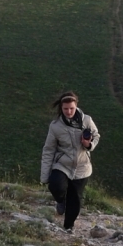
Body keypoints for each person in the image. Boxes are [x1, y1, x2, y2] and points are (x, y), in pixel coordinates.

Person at [40, 91, 100, 232]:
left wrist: (89, 145)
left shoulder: (87, 121)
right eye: (65, 108)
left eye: (71, 108)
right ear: (61, 108)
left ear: (76, 106)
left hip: (82, 167)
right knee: (56, 186)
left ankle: (68, 227)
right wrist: (44, 176)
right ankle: (61, 201)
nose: (68, 111)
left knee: (75, 200)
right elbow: (48, 149)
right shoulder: (55, 126)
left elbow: (96, 135)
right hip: (63, 164)